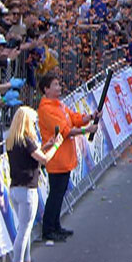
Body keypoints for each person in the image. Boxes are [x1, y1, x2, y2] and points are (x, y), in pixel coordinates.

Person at [37, 73, 100, 242]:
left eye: (59, 84)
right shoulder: (46, 109)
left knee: (60, 192)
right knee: (56, 193)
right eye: (55, 85)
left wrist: (90, 117)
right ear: (46, 89)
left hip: (65, 156)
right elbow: (65, 131)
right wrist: (87, 131)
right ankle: (48, 229)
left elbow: (74, 118)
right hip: (56, 157)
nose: (59, 88)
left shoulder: (59, 105)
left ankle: (56, 225)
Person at [6, 106, 65, 262]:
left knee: (24, 226)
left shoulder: (12, 141)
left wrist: (46, 145)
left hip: (15, 187)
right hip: (27, 188)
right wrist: (56, 147)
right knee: (25, 228)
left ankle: (26, 260)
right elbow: (44, 159)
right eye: (33, 122)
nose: (35, 125)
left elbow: (34, 156)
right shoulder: (27, 140)